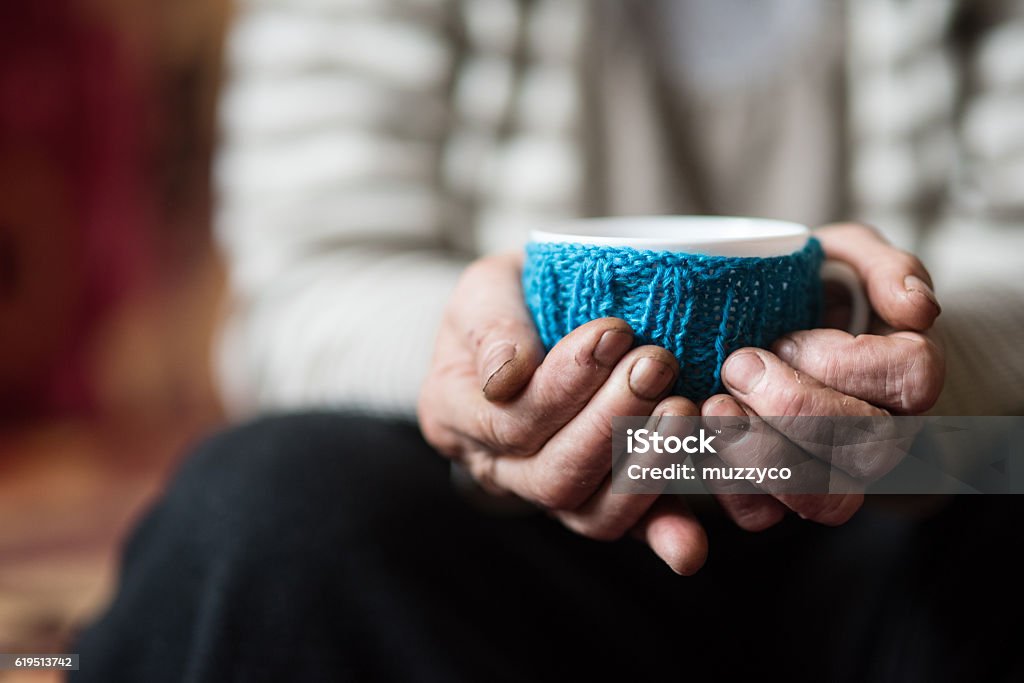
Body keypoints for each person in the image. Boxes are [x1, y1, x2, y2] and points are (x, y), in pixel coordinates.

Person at [74, 1, 1024, 681]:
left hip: (921, 507)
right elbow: (311, 279)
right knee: (262, 510)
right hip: (494, 520)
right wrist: (486, 368)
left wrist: (927, 387)